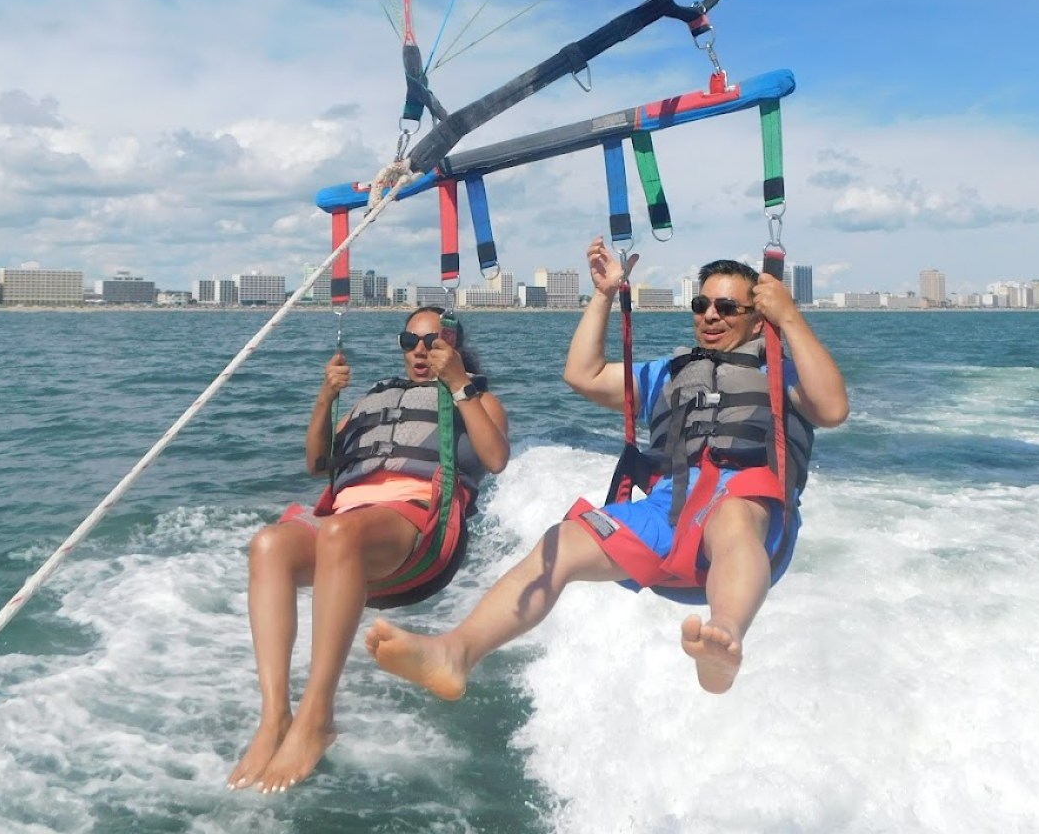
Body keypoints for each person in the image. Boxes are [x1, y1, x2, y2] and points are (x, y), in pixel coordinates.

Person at [365, 237, 847, 699]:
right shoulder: (669, 374)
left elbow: (832, 408)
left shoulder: (781, 372)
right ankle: (457, 653)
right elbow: (583, 374)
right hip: (668, 511)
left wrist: (789, 316)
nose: (710, 315)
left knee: (732, 517)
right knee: (562, 540)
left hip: (749, 504)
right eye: (701, 305)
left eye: (726, 307)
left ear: (758, 320)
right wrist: (602, 296)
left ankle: (723, 639)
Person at [227, 306, 509, 793]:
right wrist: (326, 397)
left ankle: (318, 717)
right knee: (268, 544)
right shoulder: (372, 400)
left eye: (433, 342)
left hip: (416, 522)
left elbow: (496, 458)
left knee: (341, 532)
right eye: (410, 341)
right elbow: (319, 464)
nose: (420, 351)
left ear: (454, 347)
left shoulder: (476, 399)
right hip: (348, 519)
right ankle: (274, 717)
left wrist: (459, 384)